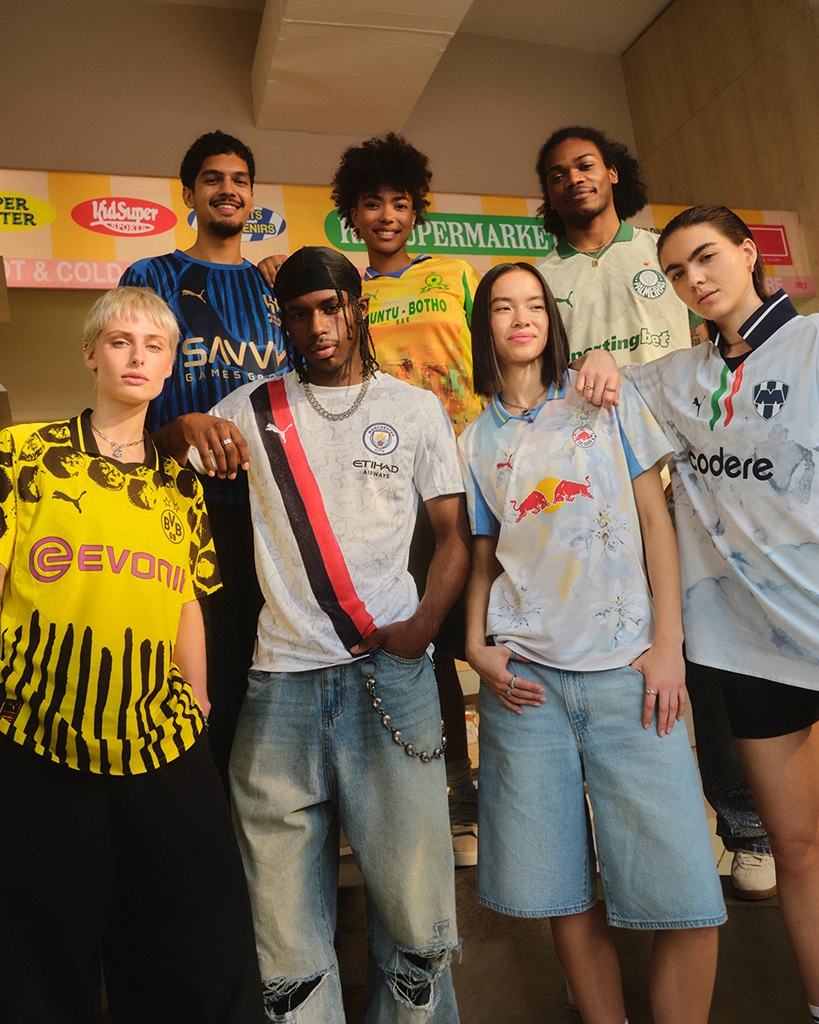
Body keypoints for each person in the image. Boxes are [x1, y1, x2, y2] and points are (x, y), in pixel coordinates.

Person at [177, 246, 469, 1022]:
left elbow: (453, 537)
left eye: (330, 307)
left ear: (356, 307)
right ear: (285, 321)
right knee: (279, 930)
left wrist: (421, 627)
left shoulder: (415, 409)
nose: (317, 326)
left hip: (390, 677)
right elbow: (171, 449)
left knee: (417, 918)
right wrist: (182, 425)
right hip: (278, 687)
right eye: (299, 313)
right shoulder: (252, 406)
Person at [458, 262, 725, 1024]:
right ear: (483, 326)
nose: (520, 318)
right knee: (562, 892)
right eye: (502, 307)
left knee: (685, 891)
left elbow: (655, 523)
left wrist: (667, 643)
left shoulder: (604, 401)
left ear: (552, 319)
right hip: (525, 686)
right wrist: (475, 643)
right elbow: (484, 555)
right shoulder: (471, 438)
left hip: (628, 675)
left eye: (534, 305)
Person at [582, 205, 819, 1023]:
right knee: (795, 849)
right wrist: (599, 360)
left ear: (749, 253)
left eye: (706, 257)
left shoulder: (812, 344)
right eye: (677, 271)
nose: (694, 279)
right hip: (753, 651)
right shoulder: (674, 378)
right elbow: (604, 385)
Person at [0, 287, 264, 1024]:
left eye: (154, 346)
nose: (137, 357)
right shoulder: (21, 452)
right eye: (120, 342)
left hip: (161, 741)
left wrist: (198, 699)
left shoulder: (180, 485)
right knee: (42, 955)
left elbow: (187, 598)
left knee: (199, 951)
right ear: (91, 353)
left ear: (171, 364)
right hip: (39, 733)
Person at [536, 124, 773, 898]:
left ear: (611, 173)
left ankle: (744, 824)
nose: (573, 179)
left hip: (689, 486)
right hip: (595, 498)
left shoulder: (660, 254)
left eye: (585, 165)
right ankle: (640, 837)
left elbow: (707, 353)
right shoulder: (541, 278)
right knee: (619, 657)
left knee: (709, 651)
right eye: (557, 172)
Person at [260, 132, 483, 867]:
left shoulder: (455, 274)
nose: (386, 215)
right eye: (370, 203)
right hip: (385, 486)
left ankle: (496, 791)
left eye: (399, 202)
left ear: (416, 210)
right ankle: (441, 791)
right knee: (421, 640)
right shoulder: (341, 288)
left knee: (481, 634)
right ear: (350, 215)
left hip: (466, 472)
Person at [119, 130, 289, 788]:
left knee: (267, 672)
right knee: (193, 676)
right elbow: (126, 392)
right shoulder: (151, 277)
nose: (228, 189)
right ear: (188, 195)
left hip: (273, 514)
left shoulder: (276, 286)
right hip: (181, 512)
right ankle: (198, 814)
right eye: (213, 179)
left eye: (240, 179)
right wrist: (174, 430)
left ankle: (264, 812)